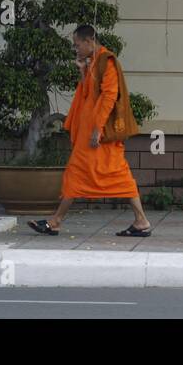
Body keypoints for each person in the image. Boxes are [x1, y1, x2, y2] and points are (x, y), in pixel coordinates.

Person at [28, 24, 152, 237]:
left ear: (89, 41)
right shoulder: (94, 63)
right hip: (90, 133)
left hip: (97, 135)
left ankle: (56, 221)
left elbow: (109, 97)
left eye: (77, 45)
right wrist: (83, 71)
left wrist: (98, 128)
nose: (75, 49)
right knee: (99, 174)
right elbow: (88, 94)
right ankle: (140, 220)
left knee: (103, 174)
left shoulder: (107, 61)